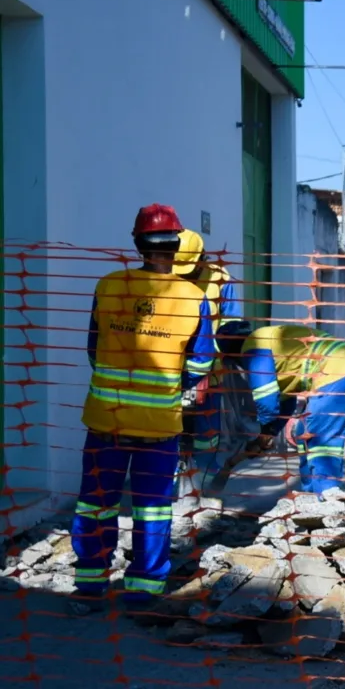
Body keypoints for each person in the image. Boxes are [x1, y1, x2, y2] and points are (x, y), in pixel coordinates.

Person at [70, 204, 215, 617]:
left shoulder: (110, 285)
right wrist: (173, 387)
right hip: (160, 425)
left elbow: (93, 350)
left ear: (137, 243)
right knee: (152, 507)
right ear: (177, 245)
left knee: (96, 502)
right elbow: (201, 363)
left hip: (105, 420)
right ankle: (143, 590)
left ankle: (89, 585)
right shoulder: (194, 297)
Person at [216, 324, 345, 494]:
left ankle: (328, 493)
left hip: (334, 371)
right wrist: (269, 433)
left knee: (319, 436)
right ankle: (310, 495)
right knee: (304, 432)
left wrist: (264, 430)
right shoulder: (268, 341)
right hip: (341, 366)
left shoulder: (254, 345)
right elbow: (287, 404)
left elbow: (266, 400)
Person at [171, 229, 242, 489]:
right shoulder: (165, 277)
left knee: (206, 434)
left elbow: (231, 325)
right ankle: (169, 488)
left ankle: (205, 487)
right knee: (170, 433)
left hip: (210, 373)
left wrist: (211, 357)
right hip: (169, 371)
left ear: (202, 257)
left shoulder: (221, 279)